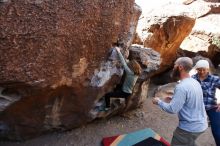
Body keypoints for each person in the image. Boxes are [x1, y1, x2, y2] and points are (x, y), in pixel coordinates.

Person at [152, 57, 208, 146]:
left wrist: (158, 101)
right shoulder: (195, 82)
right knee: (189, 142)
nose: (173, 68)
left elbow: (172, 109)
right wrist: (175, 99)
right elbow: (191, 100)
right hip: (202, 125)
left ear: (180, 67)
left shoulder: (181, 87)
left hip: (189, 129)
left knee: (181, 141)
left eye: (175, 65)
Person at [103, 46, 141, 111]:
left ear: (131, 67)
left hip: (124, 93)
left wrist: (118, 51)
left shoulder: (129, 72)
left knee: (107, 95)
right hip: (128, 91)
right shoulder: (136, 74)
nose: (128, 65)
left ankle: (107, 107)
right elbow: (126, 63)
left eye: (130, 65)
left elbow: (123, 63)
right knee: (117, 86)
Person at [192, 59, 220, 146]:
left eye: (204, 69)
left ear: (208, 69)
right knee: (191, 130)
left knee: (217, 132)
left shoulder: (214, 79)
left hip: (212, 106)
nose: (202, 71)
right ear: (197, 69)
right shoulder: (192, 79)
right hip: (197, 108)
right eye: (199, 69)